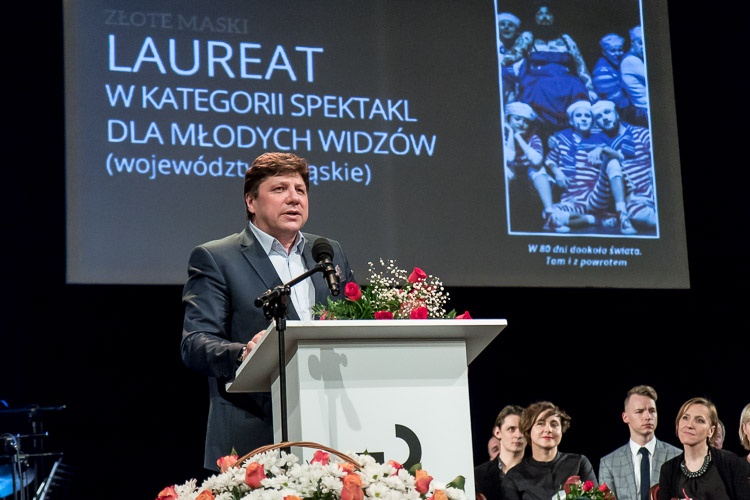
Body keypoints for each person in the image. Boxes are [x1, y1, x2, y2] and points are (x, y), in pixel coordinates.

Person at [180, 151, 357, 473]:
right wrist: (243, 353)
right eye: (279, 189)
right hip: (253, 435)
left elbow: (351, 323)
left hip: (328, 427)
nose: (294, 198)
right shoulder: (217, 257)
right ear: (251, 201)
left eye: (300, 190)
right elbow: (195, 343)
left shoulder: (328, 252)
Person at [515, 0, 598, 136]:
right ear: (534, 18)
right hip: (539, 80)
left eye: (548, 14)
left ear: (554, 17)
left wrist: (590, 89)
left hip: (566, 80)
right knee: (537, 90)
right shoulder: (528, 37)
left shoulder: (566, 39)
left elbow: (580, 64)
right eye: (540, 14)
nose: (544, 17)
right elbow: (513, 56)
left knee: (577, 86)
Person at [657, 397, 750, 500]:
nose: (689, 425)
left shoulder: (730, 462)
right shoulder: (668, 469)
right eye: (685, 418)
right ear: (678, 424)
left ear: (711, 431)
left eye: (700, 420)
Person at [598, 385, 681, 500]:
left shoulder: (678, 456)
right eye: (639, 411)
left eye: (652, 411)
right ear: (625, 417)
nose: (648, 416)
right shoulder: (609, 463)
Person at [501, 401, 597, 500]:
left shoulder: (579, 463)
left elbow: (595, 497)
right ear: (528, 430)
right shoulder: (514, 476)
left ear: (561, 431)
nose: (548, 430)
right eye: (540, 423)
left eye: (554, 424)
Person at [591, 99, 656, 233]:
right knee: (637, 214)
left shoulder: (640, 133)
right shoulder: (597, 144)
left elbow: (659, 157)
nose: (604, 118)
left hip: (652, 187)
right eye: (599, 117)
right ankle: (622, 215)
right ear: (596, 123)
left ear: (617, 114)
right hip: (634, 196)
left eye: (607, 112)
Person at [475, 404, 527, 500]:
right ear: (498, 432)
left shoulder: (541, 475)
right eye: (511, 429)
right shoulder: (477, 476)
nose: (518, 435)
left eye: (523, 429)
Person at [497, 12, 532, 104]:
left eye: (510, 25)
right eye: (502, 24)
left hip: (518, 97)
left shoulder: (523, 54)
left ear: (517, 31)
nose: (506, 27)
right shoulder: (496, 51)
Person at [592, 33, 630, 116]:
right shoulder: (602, 71)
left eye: (620, 50)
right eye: (612, 51)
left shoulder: (617, 65)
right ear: (604, 52)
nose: (617, 54)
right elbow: (615, 100)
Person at [620, 25, 649, 127]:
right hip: (645, 109)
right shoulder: (631, 61)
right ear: (632, 42)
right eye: (640, 43)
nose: (644, 47)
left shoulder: (635, 58)